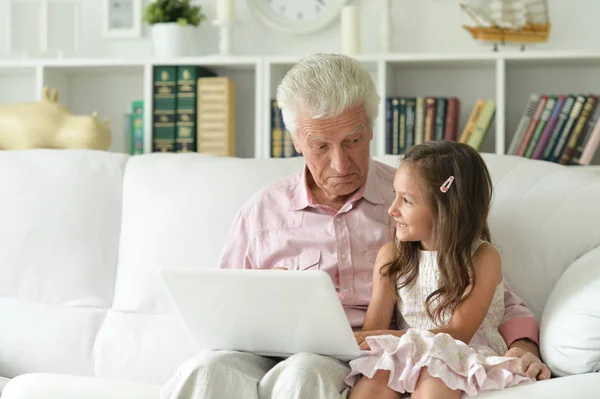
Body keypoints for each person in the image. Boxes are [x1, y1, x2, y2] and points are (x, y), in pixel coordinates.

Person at [161, 53, 550, 399]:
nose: (341, 164)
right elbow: (221, 307)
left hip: (351, 356)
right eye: (320, 146)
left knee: (303, 372)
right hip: (259, 352)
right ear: (296, 140)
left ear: (371, 129)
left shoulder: (417, 197)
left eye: (352, 140)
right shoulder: (261, 213)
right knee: (203, 371)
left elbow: (483, 285)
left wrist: (524, 345)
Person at [346, 140, 535, 399]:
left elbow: (459, 333)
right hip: (406, 353)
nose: (392, 210)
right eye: (395, 195)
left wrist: (385, 337)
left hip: (463, 353)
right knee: (376, 374)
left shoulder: (482, 257)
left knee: (436, 373)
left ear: (447, 208)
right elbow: (372, 333)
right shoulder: (391, 256)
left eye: (407, 201)